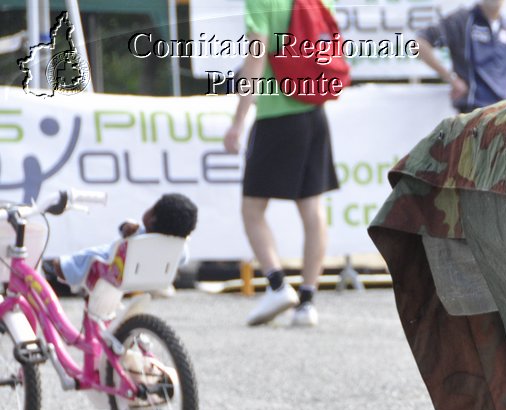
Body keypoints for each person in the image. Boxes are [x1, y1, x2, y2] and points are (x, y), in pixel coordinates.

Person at [221, 0, 339, 328]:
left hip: (276, 114)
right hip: (314, 112)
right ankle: (307, 302)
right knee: (313, 210)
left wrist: (238, 120)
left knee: (252, 208)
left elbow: (256, 57)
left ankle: (276, 285)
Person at [414, 0, 506, 113]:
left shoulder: (505, 25)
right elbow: (419, 43)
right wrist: (451, 78)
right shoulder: (463, 19)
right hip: (474, 113)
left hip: (505, 112)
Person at [43, 193, 198, 292]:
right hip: (146, 280)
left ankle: (61, 267)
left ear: (152, 218)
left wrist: (128, 229)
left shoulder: (140, 238)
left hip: (114, 274)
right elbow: (183, 259)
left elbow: (128, 230)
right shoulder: (179, 248)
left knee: (94, 254)